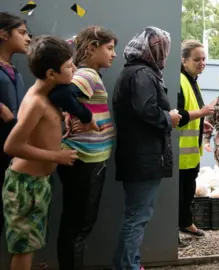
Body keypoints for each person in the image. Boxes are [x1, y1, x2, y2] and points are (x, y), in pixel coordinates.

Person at [2, 35, 78, 270]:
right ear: (51, 74)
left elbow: (42, 134)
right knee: (24, 249)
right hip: (25, 185)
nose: (74, 69)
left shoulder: (49, 98)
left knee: (31, 244)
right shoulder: (36, 102)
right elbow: (11, 146)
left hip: (39, 182)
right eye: (68, 66)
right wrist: (57, 156)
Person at [48, 26, 117, 270]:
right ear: (91, 48)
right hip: (85, 162)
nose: (114, 54)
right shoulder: (87, 74)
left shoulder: (89, 74)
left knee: (76, 225)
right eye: (109, 48)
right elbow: (60, 94)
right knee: (78, 227)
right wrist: (86, 117)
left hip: (88, 160)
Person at [112, 27, 177, 270]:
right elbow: (147, 110)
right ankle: (127, 266)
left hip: (140, 156)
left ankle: (128, 263)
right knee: (137, 217)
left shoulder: (138, 72)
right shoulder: (142, 74)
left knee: (136, 215)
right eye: (162, 49)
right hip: (143, 158)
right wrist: (168, 118)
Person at [177, 40, 214, 244]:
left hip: (190, 155)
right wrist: (201, 113)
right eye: (196, 59)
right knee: (178, 194)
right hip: (179, 154)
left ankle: (185, 222)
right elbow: (177, 115)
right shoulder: (179, 81)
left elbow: (190, 114)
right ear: (183, 61)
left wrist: (201, 123)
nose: (202, 63)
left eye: (204, 59)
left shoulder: (192, 80)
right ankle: (173, 230)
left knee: (188, 192)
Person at [0, 12, 31, 239]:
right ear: (3, 34)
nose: (28, 38)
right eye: (21, 33)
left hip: (12, 155)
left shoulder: (14, 72)